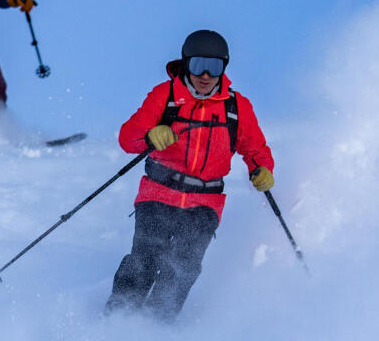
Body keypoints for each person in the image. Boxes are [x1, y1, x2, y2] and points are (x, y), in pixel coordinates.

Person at [109, 30, 276, 322]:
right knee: (146, 258)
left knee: (184, 264)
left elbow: (255, 148)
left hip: (205, 202)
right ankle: (117, 318)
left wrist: (261, 169)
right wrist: (150, 134)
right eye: (198, 65)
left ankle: (156, 325)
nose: (206, 75)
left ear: (224, 67)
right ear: (186, 63)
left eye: (215, 66)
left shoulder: (236, 108)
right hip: (158, 192)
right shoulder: (166, 96)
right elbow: (127, 140)